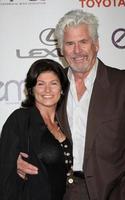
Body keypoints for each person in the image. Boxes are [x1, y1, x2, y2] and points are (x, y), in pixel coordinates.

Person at [17, 9, 125, 200]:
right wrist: (18, 162)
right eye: (70, 43)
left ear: (96, 44)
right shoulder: (51, 86)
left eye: (83, 42)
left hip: (113, 192)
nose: (77, 51)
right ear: (62, 49)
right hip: (61, 193)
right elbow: (30, 135)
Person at [0, 59, 73, 200]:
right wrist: (15, 167)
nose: (47, 90)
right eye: (40, 84)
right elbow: (4, 173)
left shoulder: (67, 121)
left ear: (62, 89)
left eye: (54, 83)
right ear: (31, 89)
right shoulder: (19, 120)